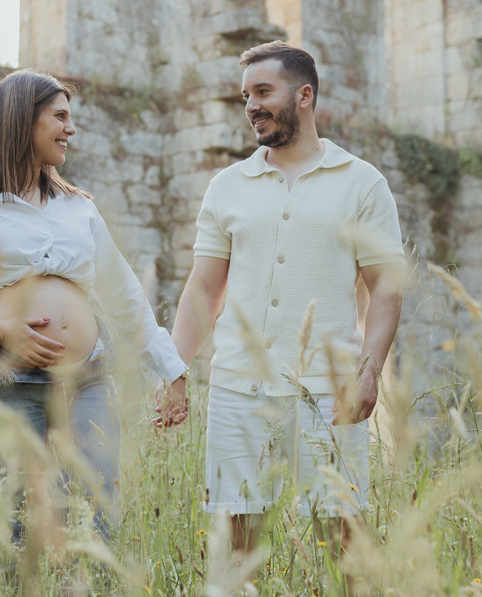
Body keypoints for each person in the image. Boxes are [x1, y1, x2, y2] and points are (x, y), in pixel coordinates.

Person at [0, 69, 190, 546]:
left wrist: (171, 369)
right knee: (15, 534)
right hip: (4, 384)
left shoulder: (79, 208)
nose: (70, 129)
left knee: (98, 525)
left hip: (88, 380)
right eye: (60, 117)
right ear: (22, 120)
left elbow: (124, 297)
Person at [169, 41, 406, 583]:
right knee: (234, 546)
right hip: (236, 390)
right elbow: (203, 289)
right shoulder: (227, 186)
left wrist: (369, 372)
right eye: (245, 95)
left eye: (263, 92)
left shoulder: (362, 183)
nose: (251, 105)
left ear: (304, 95)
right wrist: (175, 368)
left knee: (340, 541)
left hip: (328, 393)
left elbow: (387, 289)